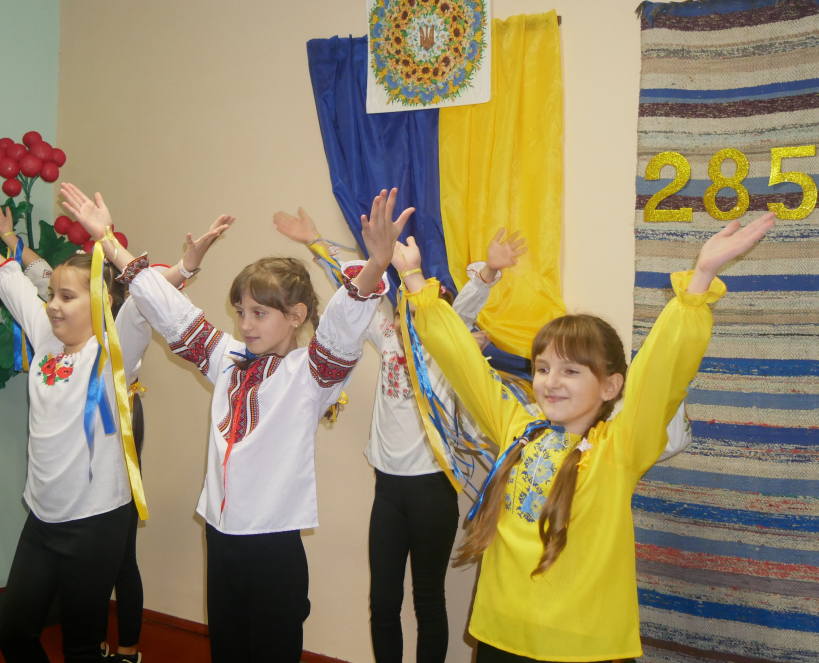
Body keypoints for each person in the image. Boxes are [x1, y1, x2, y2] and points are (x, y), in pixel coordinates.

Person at [392, 213, 775, 662]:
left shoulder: (621, 447)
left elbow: (661, 371)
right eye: (542, 368)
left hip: (582, 646)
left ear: (610, 386)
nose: (551, 382)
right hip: (500, 633)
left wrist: (700, 281)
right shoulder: (517, 427)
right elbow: (462, 360)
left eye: (571, 371)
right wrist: (414, 278)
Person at [59, 183, 410, 663]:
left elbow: (343, 326)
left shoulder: (311, 374)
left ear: (296, 316)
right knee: (226, 650)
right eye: (242, 311)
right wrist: (109, 241)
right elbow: (170, 310)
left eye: (259, 313)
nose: (245, 324)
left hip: (273, 547)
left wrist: (376, 263)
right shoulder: (226, 358)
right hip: (221, 538)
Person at [0, 208, 228, 663]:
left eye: (67, 296)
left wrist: (186, 266)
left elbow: (145, 304)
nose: (53, 305)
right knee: (13, 635)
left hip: (94, 523)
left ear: (99, 302)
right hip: (42, 519)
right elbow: (11, 280)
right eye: (52, 295)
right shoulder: (46, 338)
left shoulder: (114, 351)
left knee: (81, 649)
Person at [274, 208, 525, 663]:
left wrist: (490, 270)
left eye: (420, 299)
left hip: (433, 489)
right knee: (384, 602)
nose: (410, 305)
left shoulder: (447, 342)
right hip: (388, 490)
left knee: (428, 600)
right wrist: (314, 241)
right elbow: (353, 284)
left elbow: (468, 303)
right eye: (405, 299)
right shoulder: (387, 334)